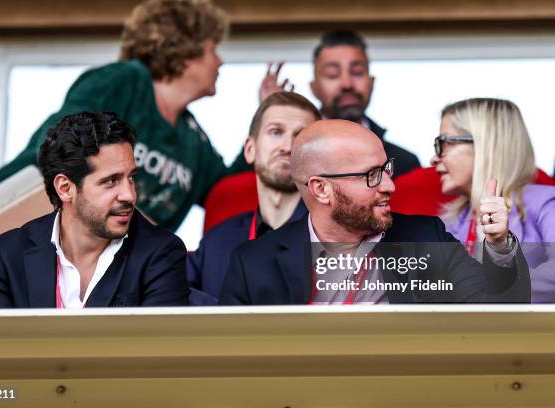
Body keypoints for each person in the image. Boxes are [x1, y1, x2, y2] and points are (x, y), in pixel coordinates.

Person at [0, 0, 249, 231]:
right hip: (11, 221)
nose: (220, 61)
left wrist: (263, 124)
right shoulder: (125, 81)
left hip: (119, 272)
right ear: (185, 50)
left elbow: (227, 191)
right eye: (212, 49)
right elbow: (58, 148)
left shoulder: (193, 139)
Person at [219, 119, 530, 305]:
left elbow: (495, 308)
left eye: (386, 170)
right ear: (321, 189)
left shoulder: (424, 238)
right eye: (371, 175)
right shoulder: (253, 263)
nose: (390, 186)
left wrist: (500, 247)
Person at [0, 112, 189, 308]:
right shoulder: (8, 254)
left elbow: (156, 347)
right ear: (65, 188)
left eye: (131, 177)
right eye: (111, 181)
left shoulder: (163, 254)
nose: (130, 195)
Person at [187, 92, 320, 304]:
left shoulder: (343, 238)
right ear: (250, 150)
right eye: (275, 132)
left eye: (300, 136)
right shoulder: (215, 242)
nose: (287, 146)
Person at [431, 97, 555, 303]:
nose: (434, 158)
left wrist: (493, 292)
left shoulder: (545, 204)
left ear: (485, 144)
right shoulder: (448, 224)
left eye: (443, 143)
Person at [259, 30, 420, 178]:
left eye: (357, 72)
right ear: (313, 88)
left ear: (371, 83)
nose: (347, 83)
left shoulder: (405, 164)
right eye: (332, 74)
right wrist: (270, 115)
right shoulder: (291, 154)